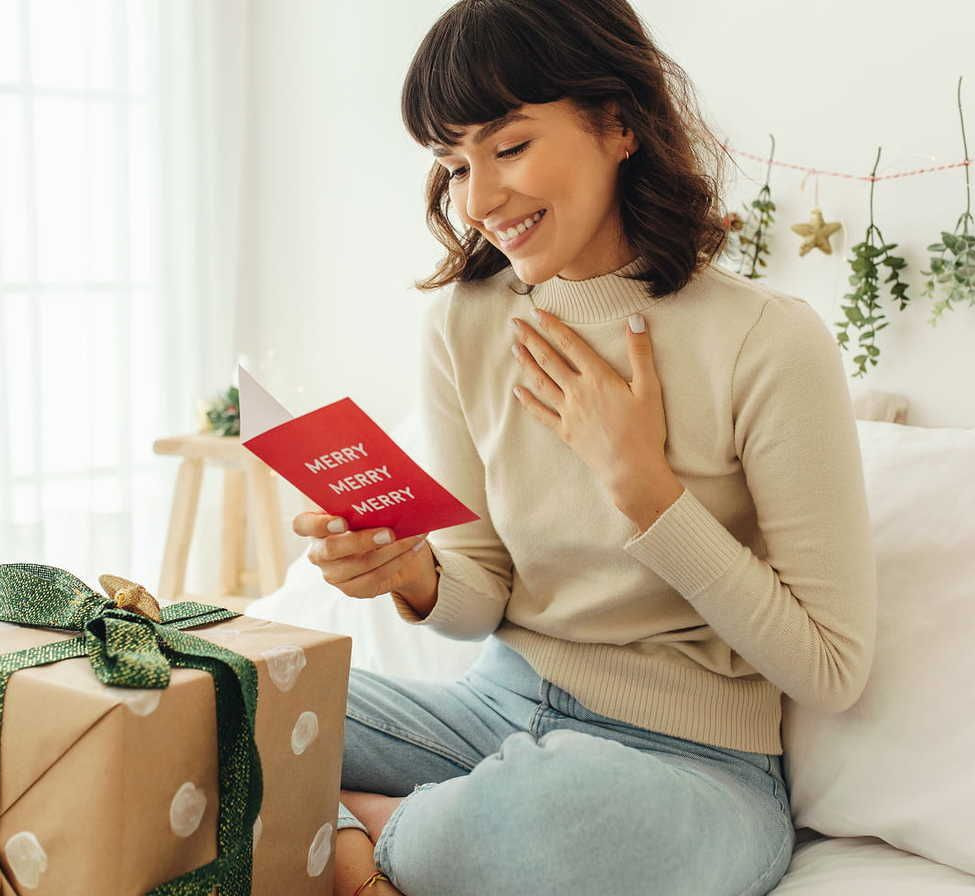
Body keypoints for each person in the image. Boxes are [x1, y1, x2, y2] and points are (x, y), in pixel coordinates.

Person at [289, 1, 878, 894]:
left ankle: (349, 830)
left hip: (691, 766)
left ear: (618, 123)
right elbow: (481, 593)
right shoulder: (464, 323)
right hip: (489, 714)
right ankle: (385, 838)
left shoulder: (767, 341)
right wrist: (412, 573)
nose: (478, 201)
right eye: (456, 165)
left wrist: (646, 489)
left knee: (533, 819)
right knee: (221, 695)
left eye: (510, 146)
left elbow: (830, 668)